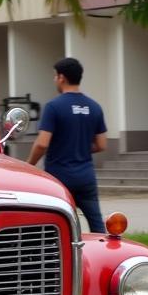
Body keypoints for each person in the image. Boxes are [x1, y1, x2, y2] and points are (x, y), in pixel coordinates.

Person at [27, 57, 107, 233]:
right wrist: (80, 146)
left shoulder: (54, 107)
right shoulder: (94, 107)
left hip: (59, 178)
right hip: (86, 177)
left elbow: (42, 144)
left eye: (55, 76)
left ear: (62, 77)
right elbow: (101, 144)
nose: (55, 80)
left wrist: (29, 165)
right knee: (97, 226)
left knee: (52, 225)